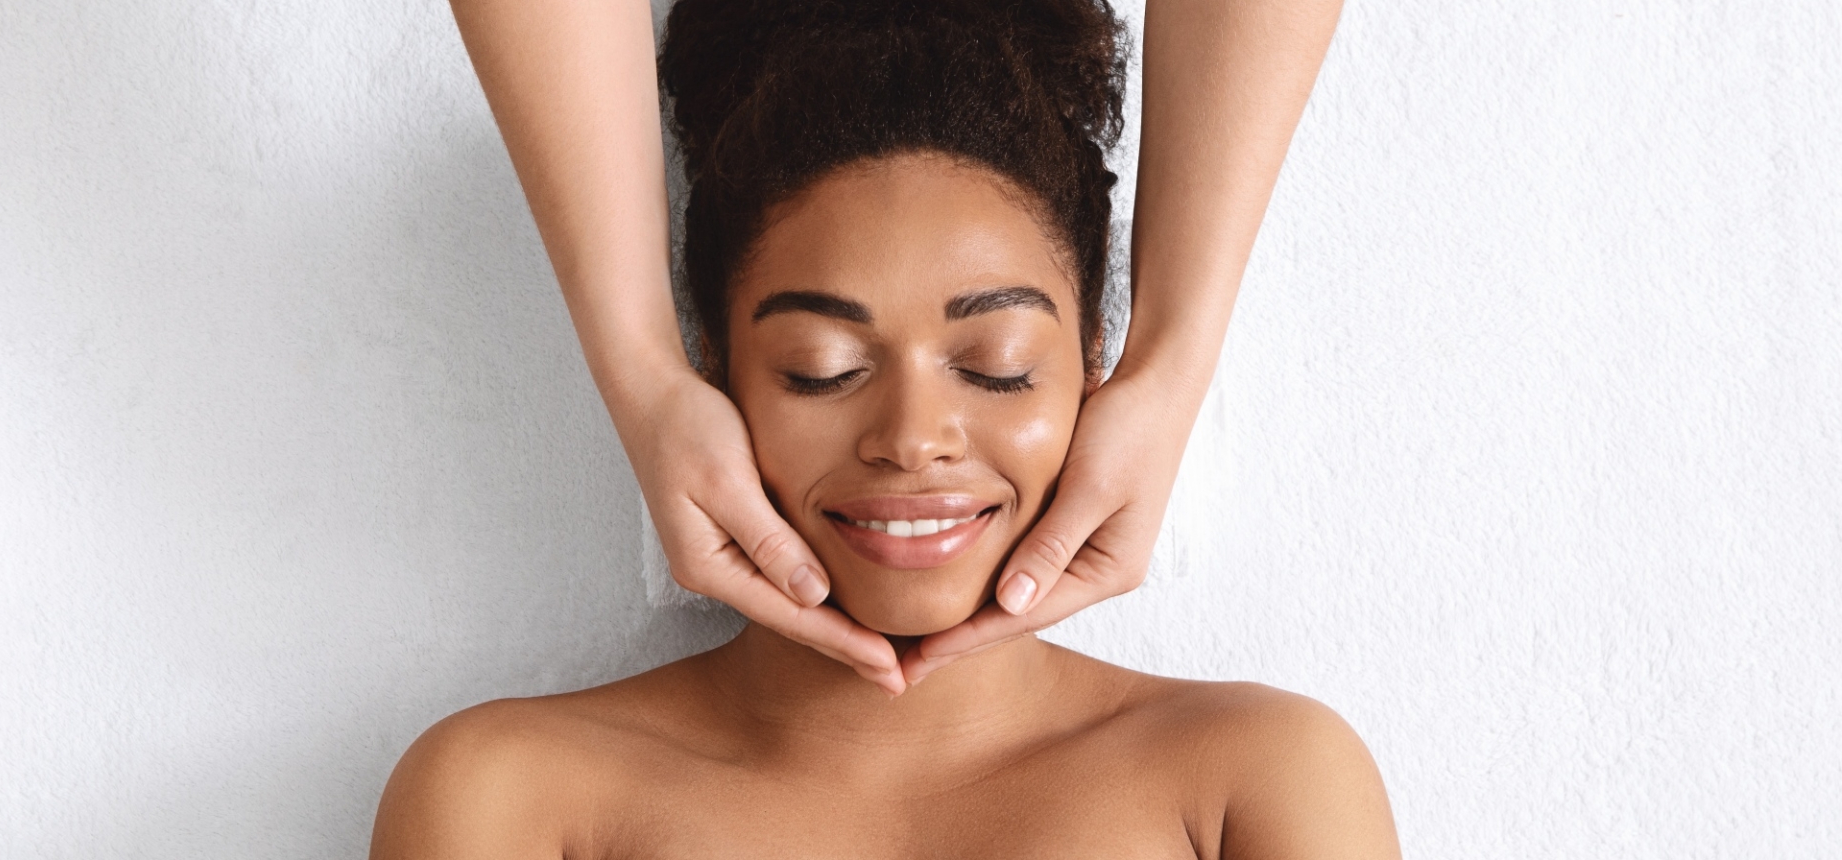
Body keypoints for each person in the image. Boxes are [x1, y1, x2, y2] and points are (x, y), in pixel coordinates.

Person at [371, 2, 1397, 856]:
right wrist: (639, 372)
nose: (913, 437)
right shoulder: (510, 796)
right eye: (825, 369)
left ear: (1090, 365)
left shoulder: (1255, 776)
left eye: (996, 367)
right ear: (719, 373)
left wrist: (1172, 365)